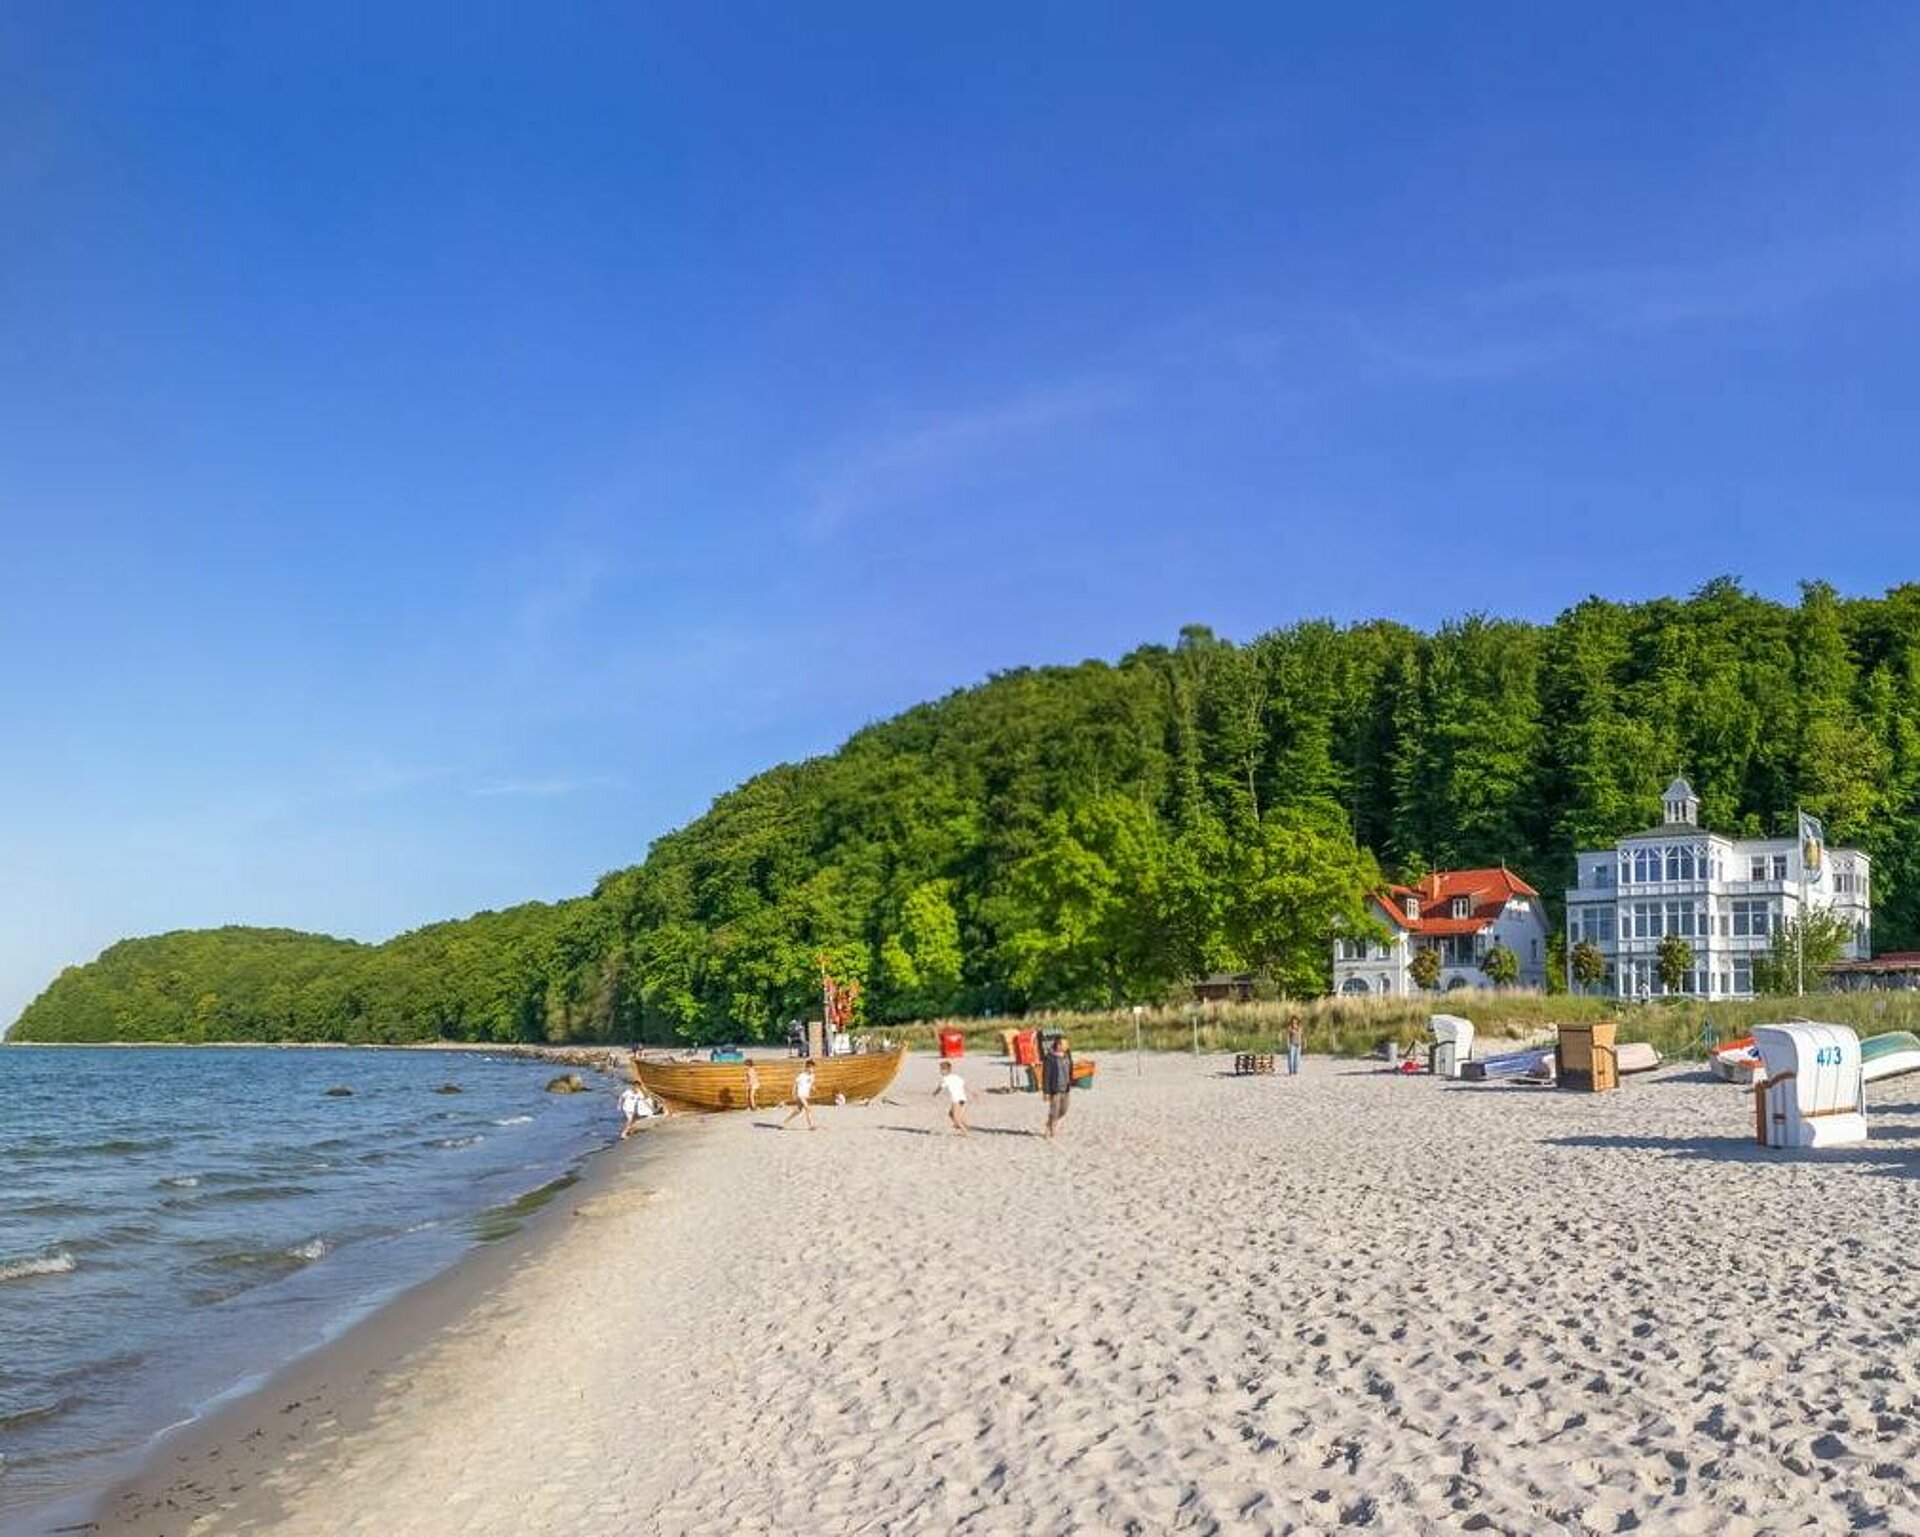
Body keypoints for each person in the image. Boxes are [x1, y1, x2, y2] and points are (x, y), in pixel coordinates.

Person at [1041, 1033, 1074, 1140]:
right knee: (1054, 1111)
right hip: (1054, 1089)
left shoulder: (1067, 1054)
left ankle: (1049, 1122)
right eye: (1065, 1044)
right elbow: (1046, 1075)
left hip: (1066, 1088)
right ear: (1058, 1045)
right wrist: (1046, 1092)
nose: (1067, 1046)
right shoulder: (1049, 1057)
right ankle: (1050, 1127)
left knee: (1064, 1110)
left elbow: (1070, 1068)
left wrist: (1071, 1080)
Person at [933, 1058, 970, 1137]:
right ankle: (965, 1125)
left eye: (942, 1070)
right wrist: (973, 1093)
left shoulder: (945, 1079)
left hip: (956, 1099)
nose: (940, 1072)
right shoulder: (956, 1076)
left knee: (955, 1117)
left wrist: (935, 1093)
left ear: (947, 1070)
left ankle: (965, 1131)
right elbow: (964, 1085)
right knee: (951, 1114)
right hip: (963, 1098)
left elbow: (940, 1087)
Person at [781, 1058, 819, 1131]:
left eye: (813, 1067)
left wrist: (813, 1088)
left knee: (798, 1110)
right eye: (811, 1067)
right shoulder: (802, 1075)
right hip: (800, 1094)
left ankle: (785, 1121)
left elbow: (811, 1084)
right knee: (807, 1108)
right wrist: (793, 1092)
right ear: (807, 1067)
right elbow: (795, 1083)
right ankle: (811, 1125)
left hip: (805, 1095)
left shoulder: (812, 1076)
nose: (812, 1069)